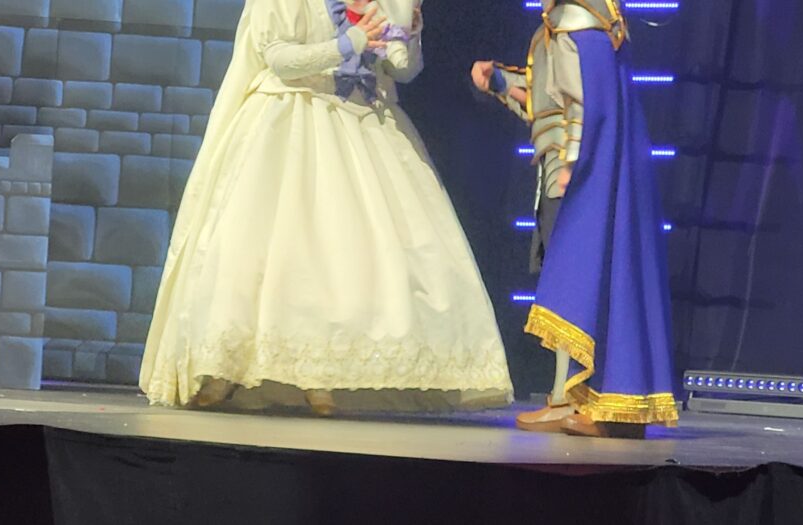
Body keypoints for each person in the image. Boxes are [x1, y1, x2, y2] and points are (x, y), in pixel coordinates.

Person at [140, 0, 514, 415]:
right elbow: (279, 59)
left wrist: (410, 32)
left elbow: (402, 69)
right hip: (292, 118)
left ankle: (322, 375)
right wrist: (351, 41)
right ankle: (226, 369)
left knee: (350, 260)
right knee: (268, 253)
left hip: (364, 124)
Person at [472, 0, 678, 437]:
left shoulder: (576, 27)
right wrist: (500, 83)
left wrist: (573, 165)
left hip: (575, 175)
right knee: (580, 280)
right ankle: (574, 397)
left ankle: (585, 400)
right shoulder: (572, 29)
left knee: (577, 281)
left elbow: (583, 108)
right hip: (573, 169)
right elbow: (548, 104)